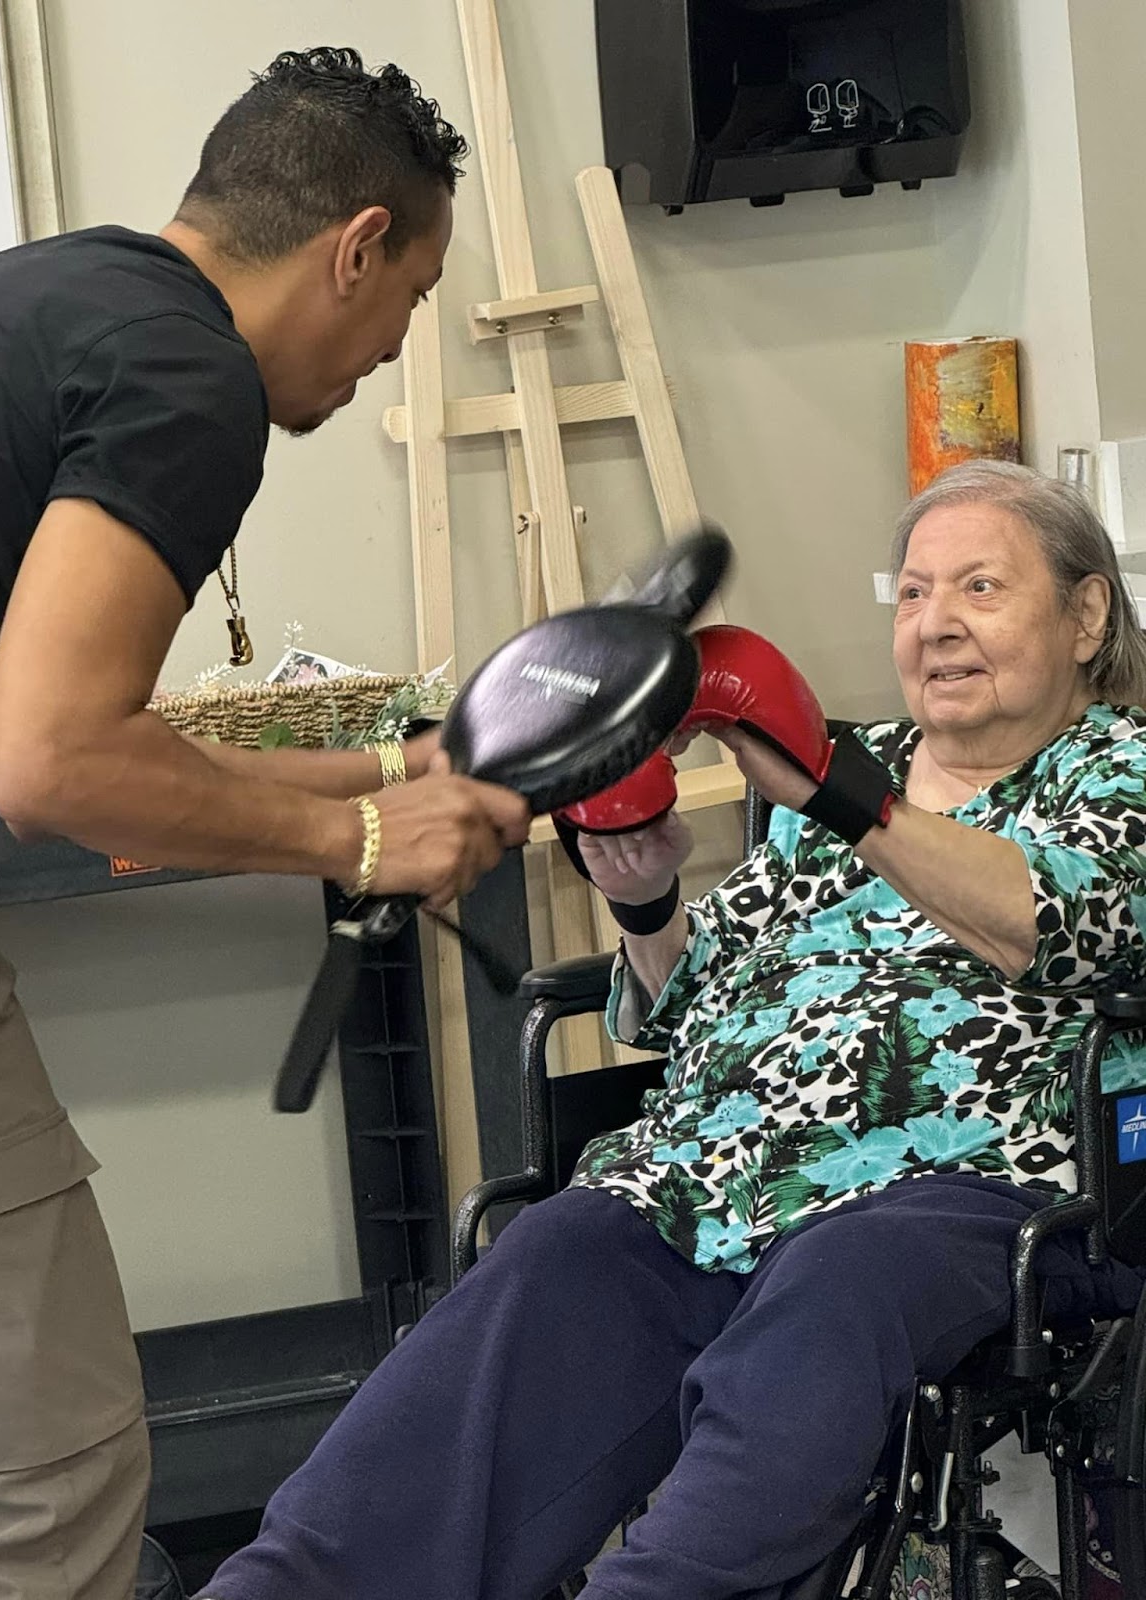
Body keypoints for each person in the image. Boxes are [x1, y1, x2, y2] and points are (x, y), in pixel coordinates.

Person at [197, 461, 1146, 1600]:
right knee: (552, 1258)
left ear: (1087, 613)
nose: (935, 623)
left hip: (966, 1186)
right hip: (717, 1171)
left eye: (980, 587)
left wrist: (848, 800)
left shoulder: (1113, 773)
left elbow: (1063, 922)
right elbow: (699, 1005)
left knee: (837, 1288)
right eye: (912, 594)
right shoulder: (860, 769)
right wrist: (646, 901)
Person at [0, 46, 529, 1600]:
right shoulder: (190, 376)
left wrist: (381, 781)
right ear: (356, 246)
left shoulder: (65, 297)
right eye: (407, 306)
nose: (390, 356)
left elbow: (98, 736)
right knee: (41, 1484)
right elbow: (53, 760)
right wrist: (357, 848)